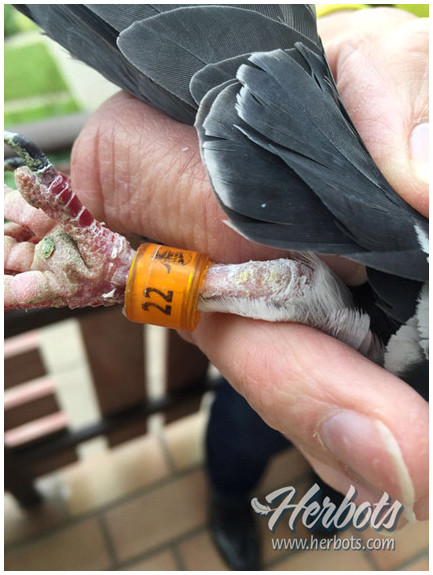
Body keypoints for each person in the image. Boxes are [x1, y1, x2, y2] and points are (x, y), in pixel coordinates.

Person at [69, 5, 428, 567]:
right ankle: (229, 502)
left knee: (354, 455)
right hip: (345, 307)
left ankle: (333, 496)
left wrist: (129, 276)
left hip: (373, 383)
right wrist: (358, 28)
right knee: (246, 432)